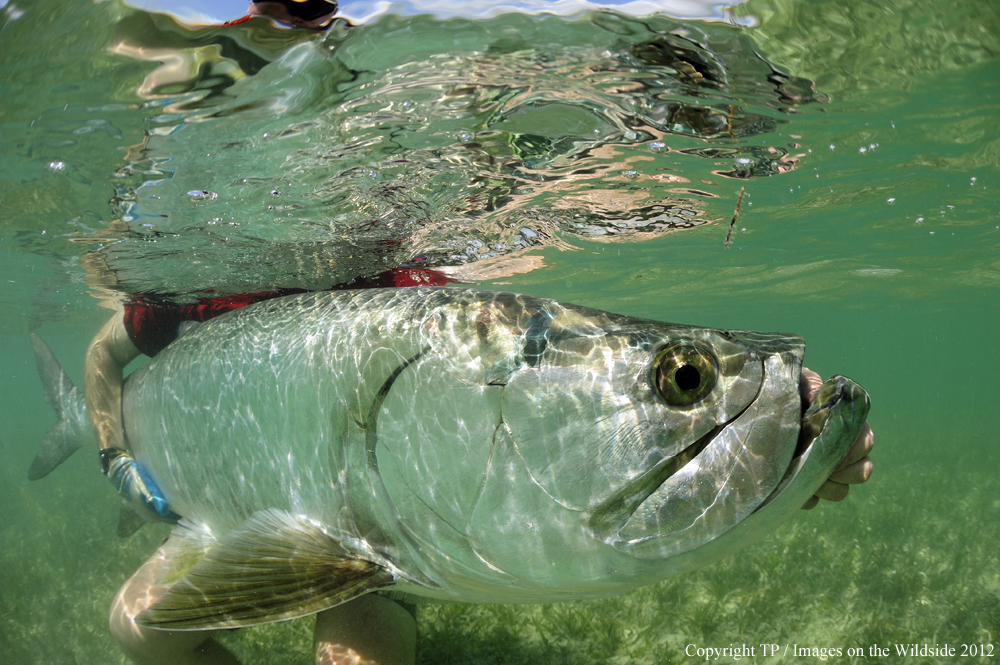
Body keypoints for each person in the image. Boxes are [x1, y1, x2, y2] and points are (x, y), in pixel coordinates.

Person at [89, 268, 450, 665]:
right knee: (138, 631)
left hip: (363, 527)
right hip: (229, 506)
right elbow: (102, 352)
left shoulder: (387, 276)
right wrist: (116, 458)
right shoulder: (193, 282)